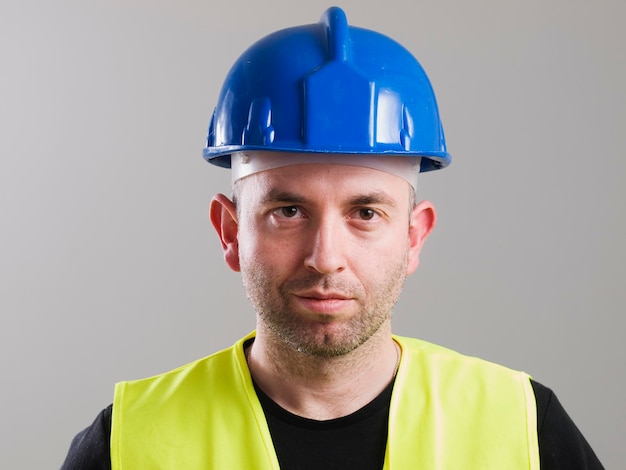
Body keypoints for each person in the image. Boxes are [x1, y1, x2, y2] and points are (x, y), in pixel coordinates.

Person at [61, 7, 603, 469]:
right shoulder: (127, 444)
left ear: (414, 237)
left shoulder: (526, 429)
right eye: (289, 210)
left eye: (365, 212)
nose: (326, 257)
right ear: (230, 231)